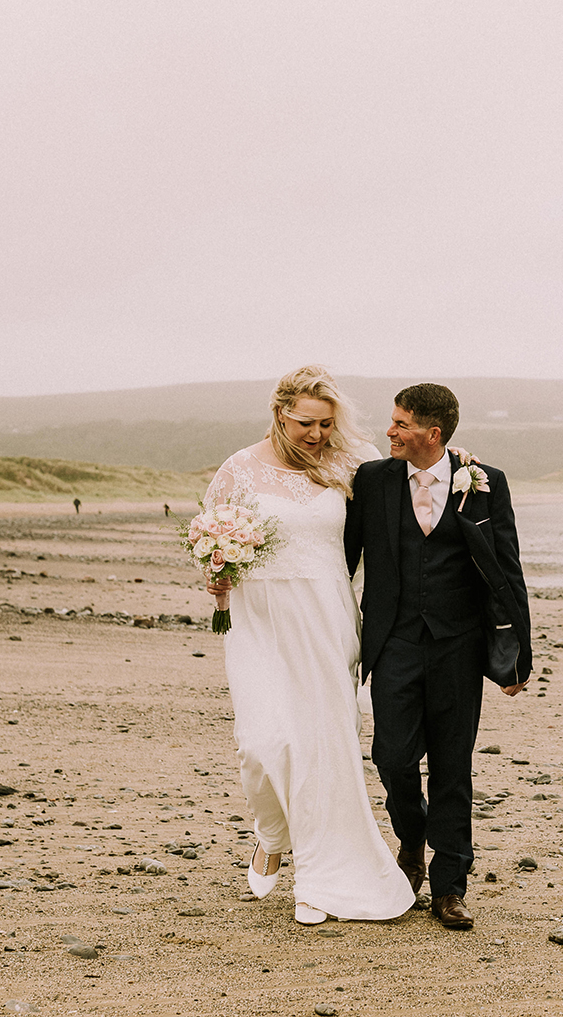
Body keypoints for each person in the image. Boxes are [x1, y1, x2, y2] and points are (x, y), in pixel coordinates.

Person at [204, 365, 414, 927]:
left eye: (325, 423)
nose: (317, 434)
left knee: (322, 747)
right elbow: (213, 536)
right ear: (279, 414)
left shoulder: (353, 459)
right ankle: (272, 834)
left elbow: (413, 481)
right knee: (261, 740)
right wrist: (216, 574)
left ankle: (320, 879)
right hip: (258, 618)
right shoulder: (239, 468)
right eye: (306, 423)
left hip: (324, 614)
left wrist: (457, 461)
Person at [344, 383, 532, 930]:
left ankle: (450, 886)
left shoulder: (485, 482)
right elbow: (344, 559)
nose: (390, 431)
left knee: (453, 767)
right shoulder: (373, 480)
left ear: (434, 433)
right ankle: (411, 838)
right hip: (395, 641)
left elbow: (507, 569)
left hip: (458, 647)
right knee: (392, 759)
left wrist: (516, 657)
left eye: (400, 424)